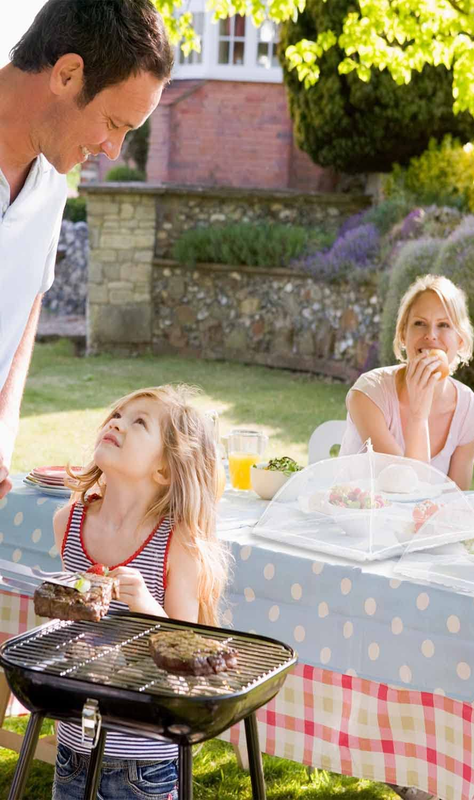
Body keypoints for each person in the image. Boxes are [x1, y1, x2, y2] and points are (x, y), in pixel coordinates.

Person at [0, 0, 173, 499]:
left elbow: (27, 297)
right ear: (68, 75)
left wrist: (5, 423)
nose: (113, 150)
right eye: (113, 123)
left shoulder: (52, 187)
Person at [51, 384, 228, 800]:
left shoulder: (177, 542)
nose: (117, 423)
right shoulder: (70, 522)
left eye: (139, 422)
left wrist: (146, 605)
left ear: (163, 469)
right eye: (117, 415)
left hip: (142, 758)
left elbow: (186, 651)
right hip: (73, 741)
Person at [340, 274, 474, 490]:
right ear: (403, 334)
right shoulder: (367, 394)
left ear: (460, 339)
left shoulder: (470, 413)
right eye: (419, 323)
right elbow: (405, 490)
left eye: (444, 325)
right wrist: (419, 416)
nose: (431, 335)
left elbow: (457, 501)